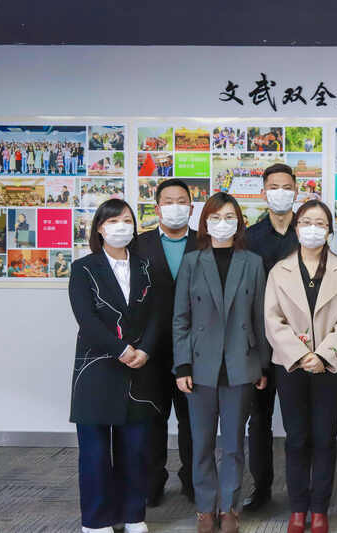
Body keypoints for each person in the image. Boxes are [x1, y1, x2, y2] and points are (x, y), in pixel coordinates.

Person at [172, 192, 269, 533]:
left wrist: (262, 365)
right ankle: (205, 509)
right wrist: (182, 365)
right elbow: (180, 319)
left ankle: (229, 508)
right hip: (200, 367)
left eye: (229, 217)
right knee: (201, 444)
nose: (222, 223)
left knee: (233, 445)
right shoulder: (191, 262)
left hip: (241, 364)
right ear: (205, 223)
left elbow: (260, 318)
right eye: (215, 217)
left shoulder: (252, 262)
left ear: (239, 222)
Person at [264, 200, 337, 533]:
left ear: (329, 231)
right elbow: (272, 319)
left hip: (329, 367)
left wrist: (323, 356)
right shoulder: (280, 271)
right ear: (296, 228)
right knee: (296, 438)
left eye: (320, 223)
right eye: (306, 222)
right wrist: (300, 355)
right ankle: (297, 508)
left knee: (324, 437)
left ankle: (319, 508)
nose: (313, 229)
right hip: (290, 367)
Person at [68, 199, 158, 533]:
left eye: (127, 220)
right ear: (99, 228)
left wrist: (145, 349)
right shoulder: (83, 268)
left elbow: (157, 314)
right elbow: (86, 319)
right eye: (113, 221)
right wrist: (121, 349)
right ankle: (96, 520)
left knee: (134, 450)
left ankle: (133, 514)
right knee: (94, 453)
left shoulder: (146, 266)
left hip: (139, 367)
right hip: (97, 368)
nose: (121, 227)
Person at [134, 179, 197, 507]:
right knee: (152, 419)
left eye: (181, 201)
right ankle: (152, 482)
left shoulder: (204, 243)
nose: (175, 207)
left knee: (193, 421)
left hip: (193, 349)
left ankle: (193, 481)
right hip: (150, 348)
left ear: (191, 207)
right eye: (168, 201)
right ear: (157, 208)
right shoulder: (138, 244)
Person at [242, 163, 300, 512]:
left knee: (297, 421)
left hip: (299, 342)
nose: (281, 192)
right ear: (264, 192)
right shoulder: (250, 237)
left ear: (297, 190)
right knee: (259, 419)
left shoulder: (307, 230)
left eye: (286, 186)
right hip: (261, 343)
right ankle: (261, 489)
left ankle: (300, 492)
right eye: (274, 187)